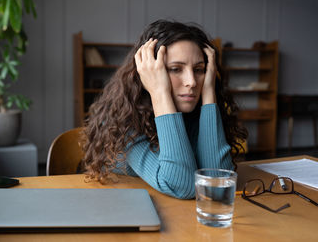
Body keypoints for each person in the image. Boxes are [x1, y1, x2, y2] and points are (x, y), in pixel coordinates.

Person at [82, 20, 247, 199]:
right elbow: (182, 186)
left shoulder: (196, 110)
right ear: (148, 73)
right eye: (175, 69)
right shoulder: (123, 121)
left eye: (199, 70)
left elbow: (218, 183)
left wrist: (208, 91)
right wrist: (159, 92)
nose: (191, 81)